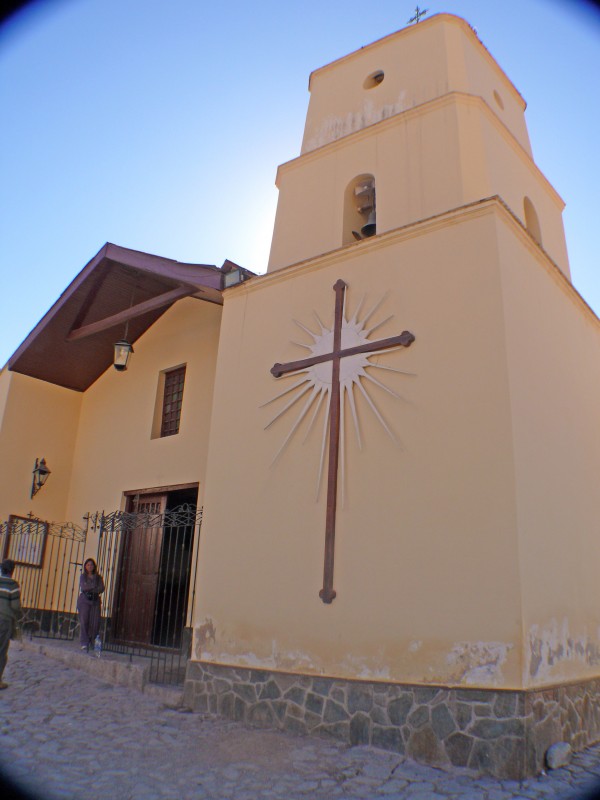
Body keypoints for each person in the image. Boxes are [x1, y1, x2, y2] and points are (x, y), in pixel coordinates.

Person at [0, 558, 22, 690]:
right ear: (12, 570)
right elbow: (15, 605)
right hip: (4, 619)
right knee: (2, 650)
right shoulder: (12, 585)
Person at [77, 558, 104, 651]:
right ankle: (84, 642)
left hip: (95, 601)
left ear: (94, 566)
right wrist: (93, 586)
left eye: (91, 565)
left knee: (95, 622)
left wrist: (91, 588)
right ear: (85, 566)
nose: (90, 566)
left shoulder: (98, 577)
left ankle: (93, 641)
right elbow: (84, 587)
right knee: (84, 621)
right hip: (84, 600)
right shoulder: (83, 577)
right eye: (88, 565)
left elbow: (101, 588)